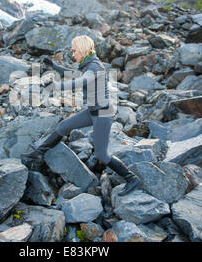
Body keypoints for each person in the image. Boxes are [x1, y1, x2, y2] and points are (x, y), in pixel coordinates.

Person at [21, 35, 140, 196]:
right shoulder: (88, 64)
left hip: (103, 113)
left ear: (83, 50)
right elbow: (74, 74)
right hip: (92, 111)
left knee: (101, 154)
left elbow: (80, 82)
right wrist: (54, 66)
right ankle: (39, 152)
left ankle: (132, 178)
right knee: (63, 126)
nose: (72, 53)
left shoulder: (95, 67)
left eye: (75, 50)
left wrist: (56, 86)